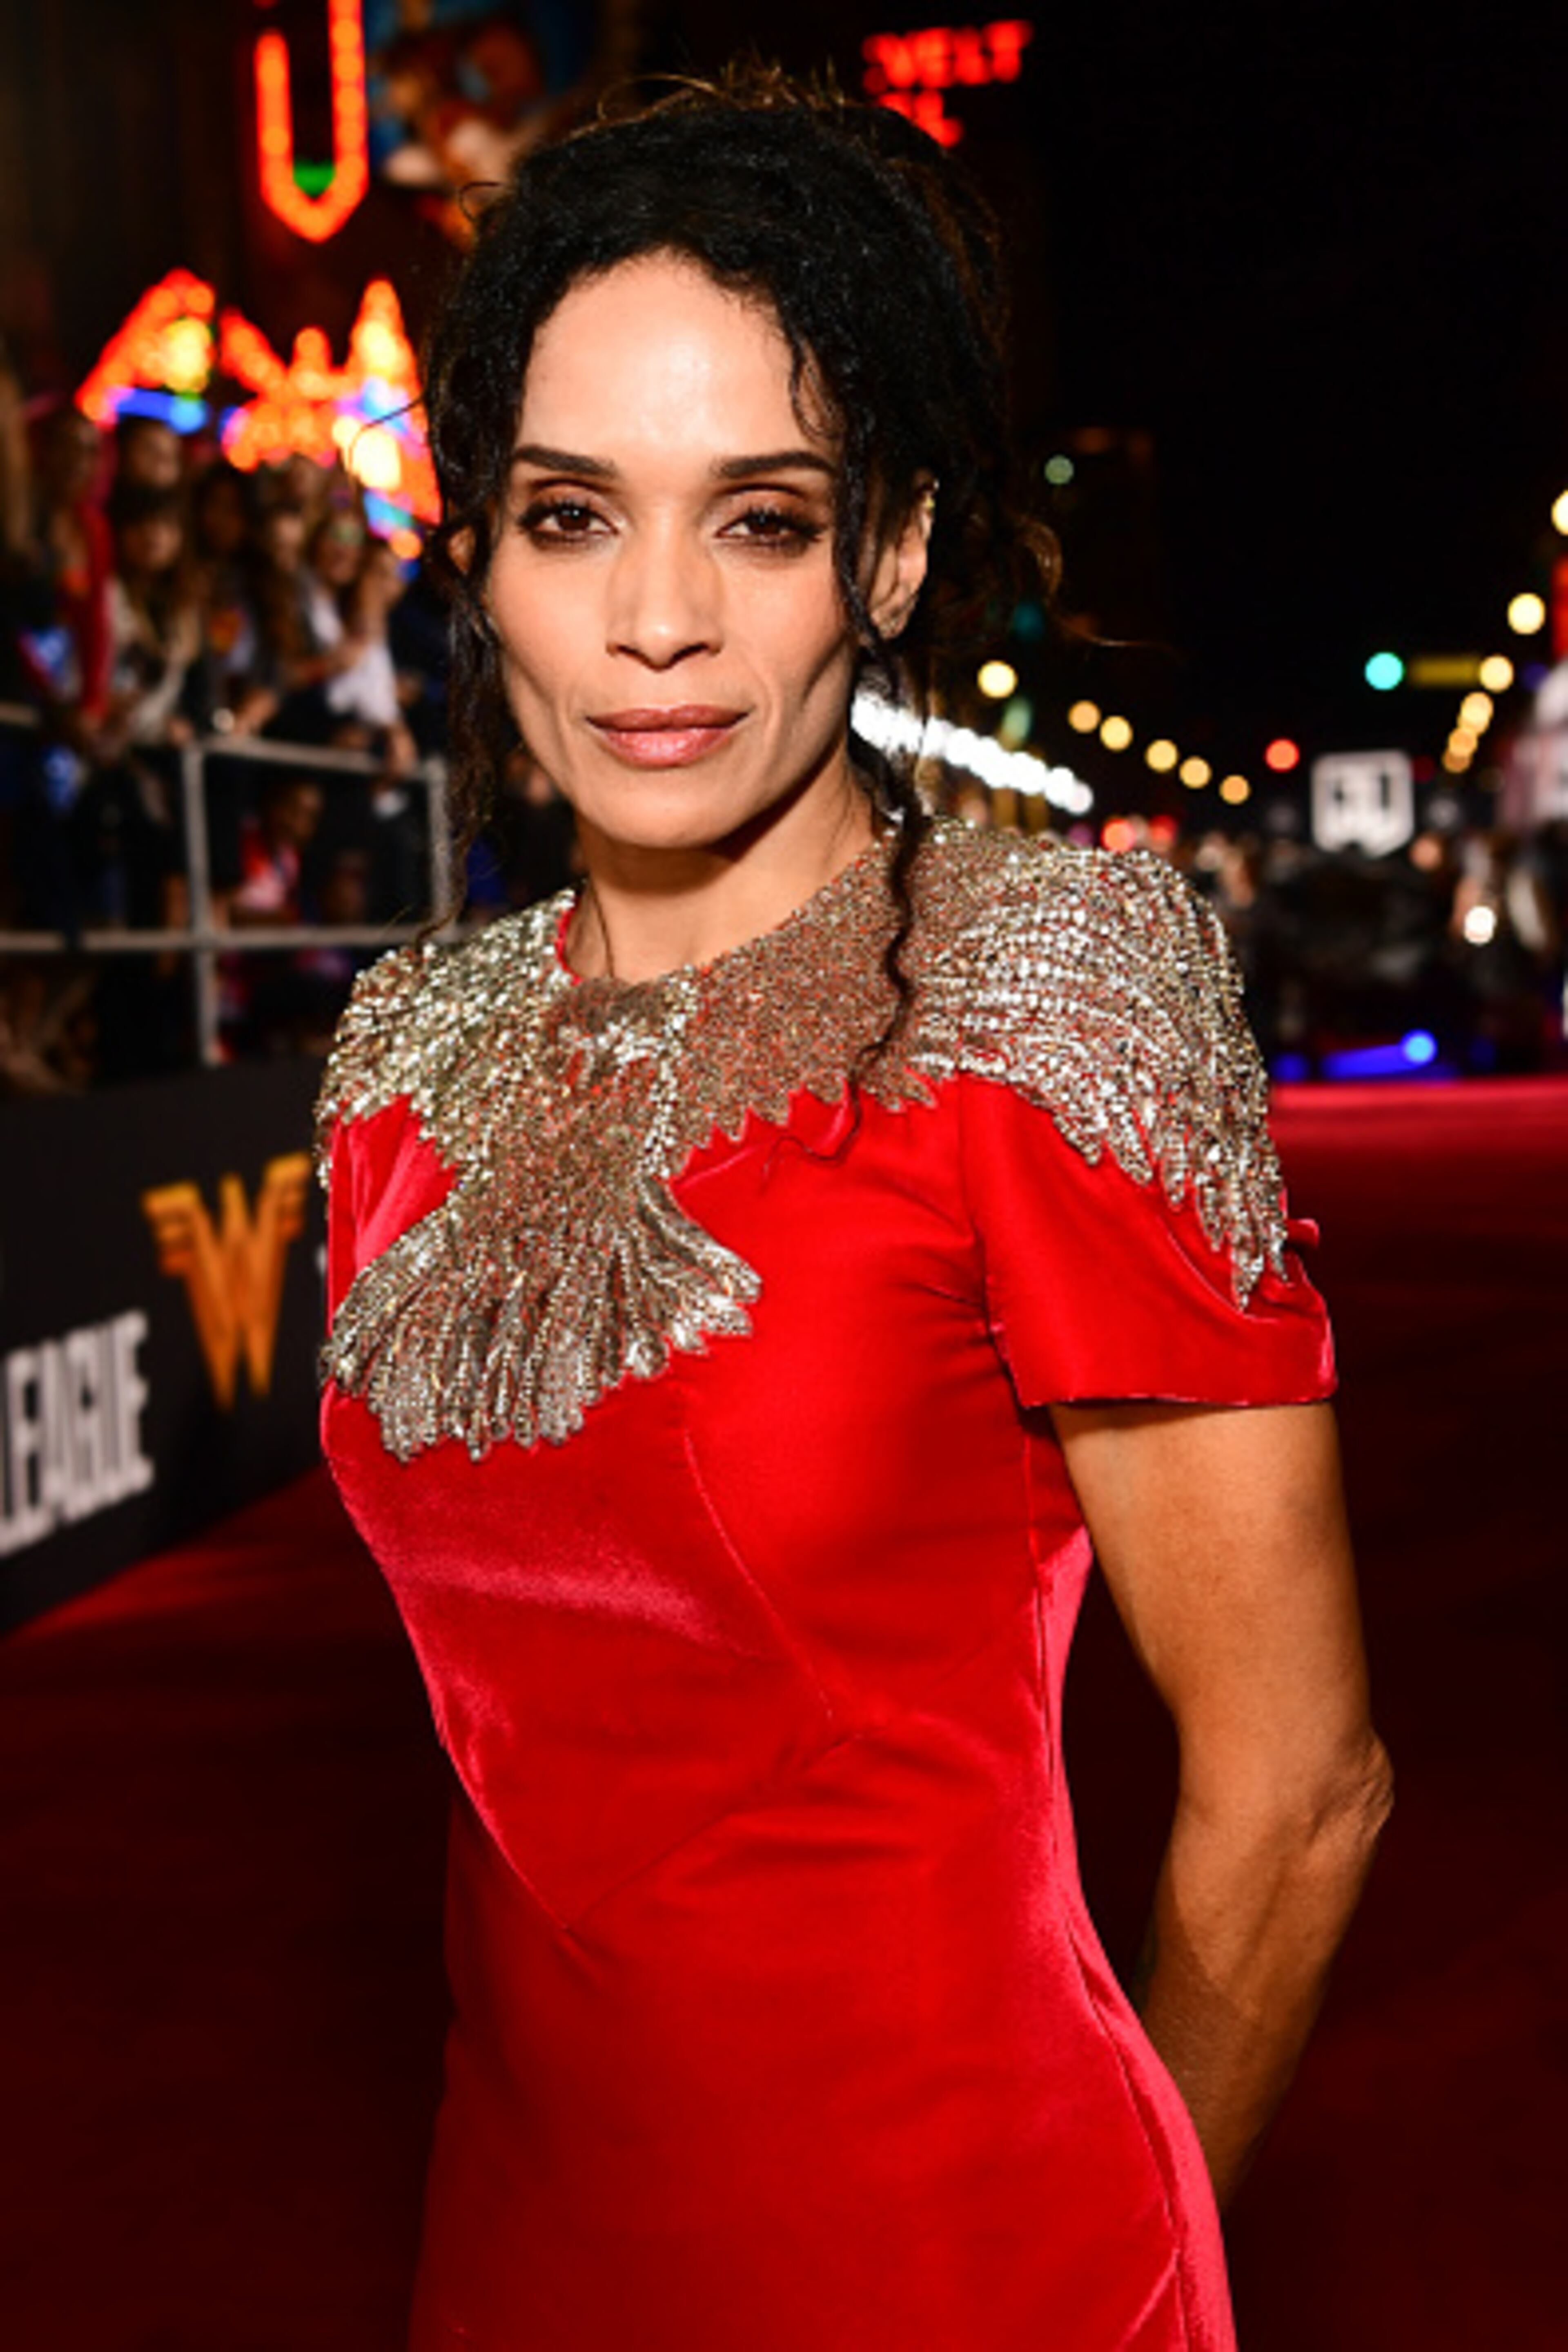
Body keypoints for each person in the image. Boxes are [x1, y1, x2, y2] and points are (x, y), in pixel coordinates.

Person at [316, 70, 1390, 2352]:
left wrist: (1120, 2265)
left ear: (890, 551)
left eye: (766, 520)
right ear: (482, 550)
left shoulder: (1032, 1003)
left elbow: (1300, 1789)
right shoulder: (400, 1057)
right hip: (510, 2239)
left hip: (965, 2263)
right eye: (575, 515)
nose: (661, 622)